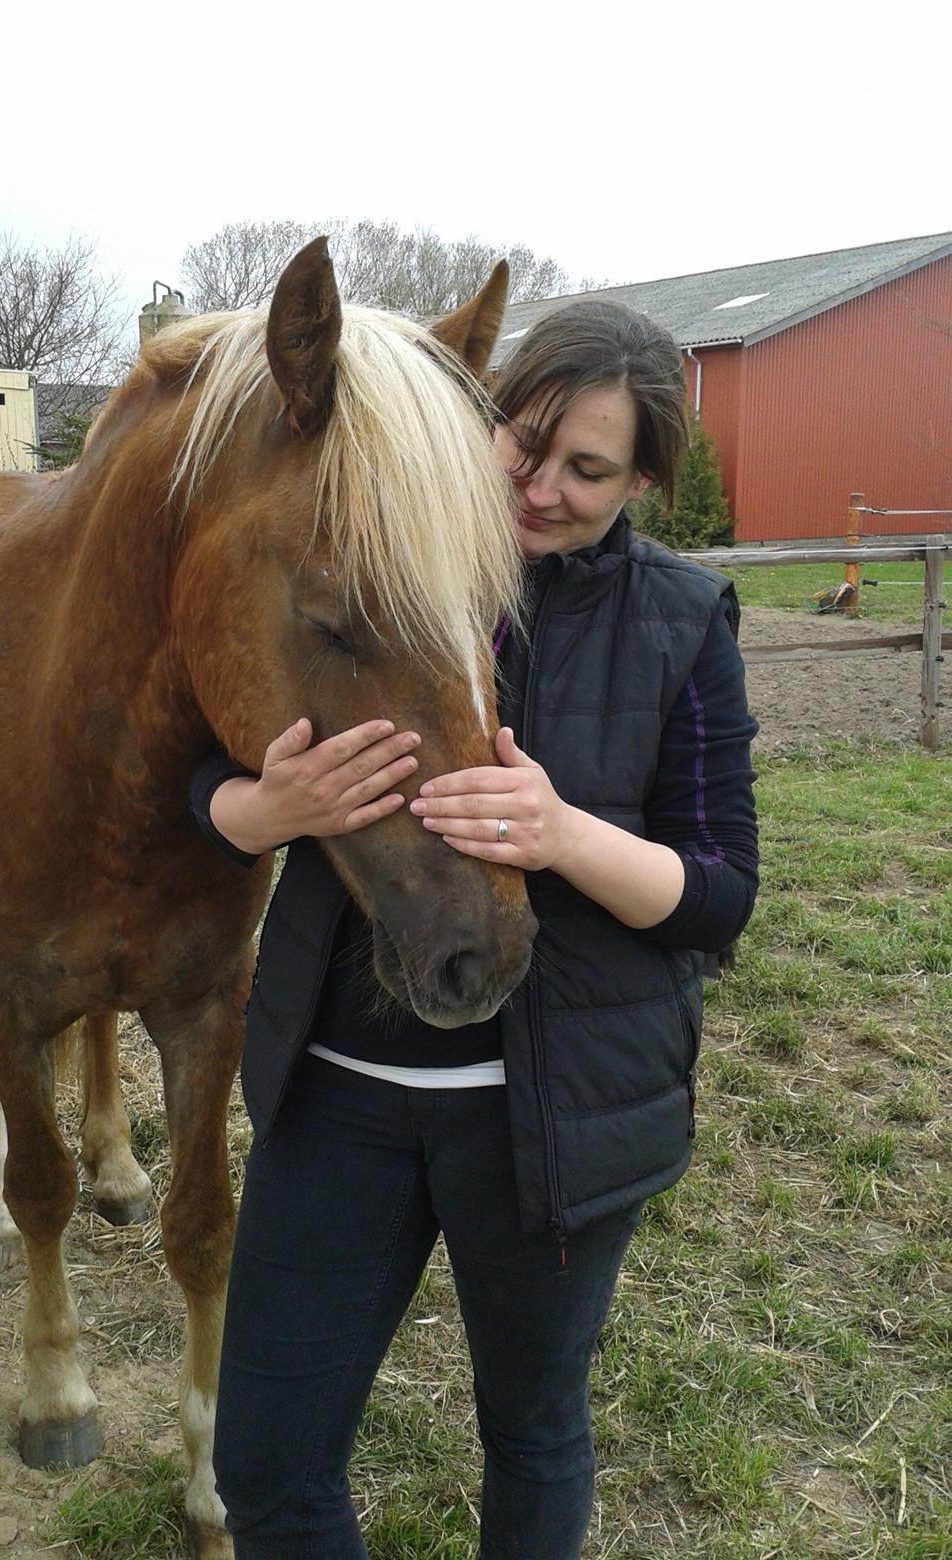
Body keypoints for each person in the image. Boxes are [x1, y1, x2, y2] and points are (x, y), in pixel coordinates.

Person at [193, 299, 759, 1559]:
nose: (543, 488)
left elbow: (720, 893)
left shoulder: (679, 620)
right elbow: (203, 760)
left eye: (590, 469)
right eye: (526, 443)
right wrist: (254, 807)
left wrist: (566, 836)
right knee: (268, 1462)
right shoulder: (381, 552)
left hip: (551, 1120)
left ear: (644, 481)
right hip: (336, 1094)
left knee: (534, 1429)